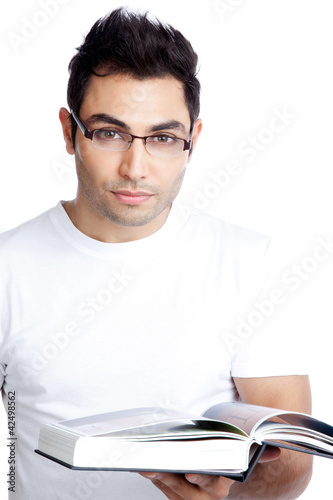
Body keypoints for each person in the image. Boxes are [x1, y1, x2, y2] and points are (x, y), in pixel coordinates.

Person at [0, 7, 312, 499]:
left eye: (164, 138)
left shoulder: (250, 263)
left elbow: (292, 466)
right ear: (69, 132)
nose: (136, 167)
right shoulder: (8, 266)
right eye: (109, 132)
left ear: (193, 142)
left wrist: (228, 493)